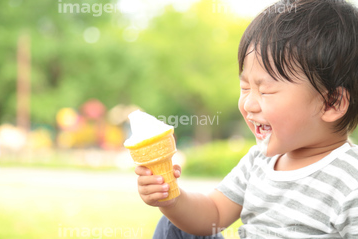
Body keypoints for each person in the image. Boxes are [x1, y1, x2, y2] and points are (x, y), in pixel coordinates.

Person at [135, 0, 358, 238]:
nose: (248, 104)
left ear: (331, 103)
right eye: (245, 88)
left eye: (266, 91)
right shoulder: (258, 161)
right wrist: (172, 200)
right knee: (173, 227)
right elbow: (214, 213)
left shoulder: (349, 180)